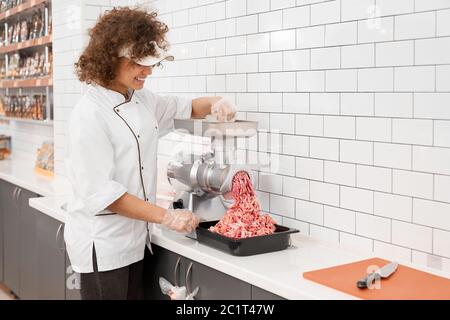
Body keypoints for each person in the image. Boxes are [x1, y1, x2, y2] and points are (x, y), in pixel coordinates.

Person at [64, 6, 236, 300]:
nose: (147, 71)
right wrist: (166, 217)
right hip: (103, 245)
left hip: (136, 240)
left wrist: (218, 102)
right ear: (110, 59)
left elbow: (189, 107)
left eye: (151, 63)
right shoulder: (89, 114)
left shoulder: (142, 100)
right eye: (138, 63)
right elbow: (103, 194)